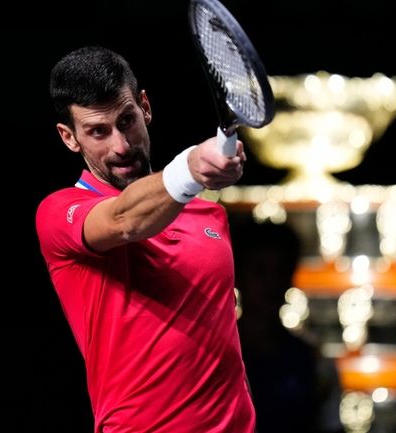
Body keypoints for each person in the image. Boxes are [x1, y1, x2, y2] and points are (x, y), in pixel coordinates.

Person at [35, 46, 254, 433]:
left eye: (126, 121)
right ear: (69, 138)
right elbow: (124, 221)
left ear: (145, 108)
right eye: (98, 132)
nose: (120, 145)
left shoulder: (211, 217)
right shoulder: (59, 213)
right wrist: (189, 168)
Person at [232, 220, 344, 433]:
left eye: (280, 272)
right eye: (260, 271)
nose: (271, 284)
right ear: (238, 275)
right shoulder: (218, 356)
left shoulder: (314, 361)